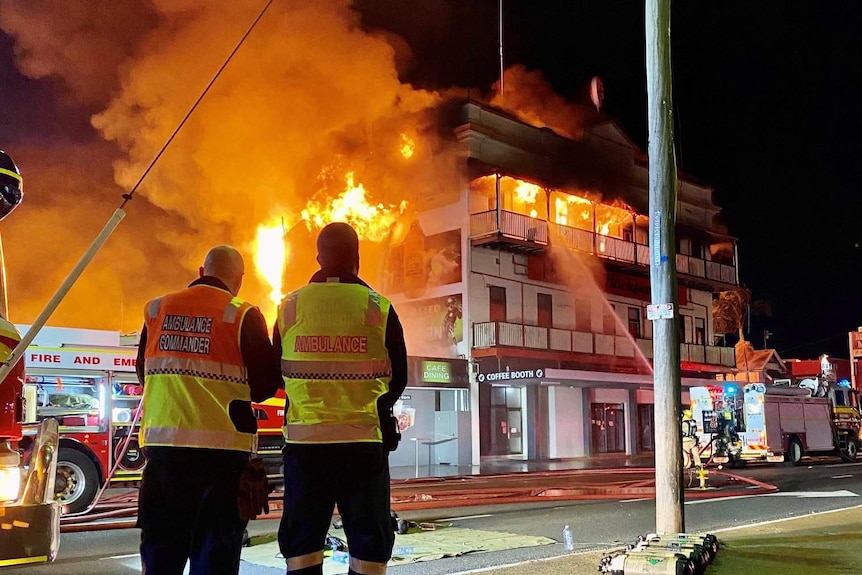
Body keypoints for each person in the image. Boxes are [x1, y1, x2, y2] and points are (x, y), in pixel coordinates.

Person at [135, 245, 282, 575]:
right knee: (214, 557)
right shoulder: (243, 314)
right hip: (222, 462)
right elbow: (265, 386)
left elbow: (144, 373)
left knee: (161, 555)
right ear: (239, 281)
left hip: (164, 456)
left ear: (202, 272)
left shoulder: (157, 310)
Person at [274, 222, 408, 575]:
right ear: (357, 259)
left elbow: (277, 375)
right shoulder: (378, 307)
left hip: (305, 449)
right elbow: (399, 378)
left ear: (318, 258)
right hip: (362, 446)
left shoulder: (289, 307)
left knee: (302, 549)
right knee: (369, 550)